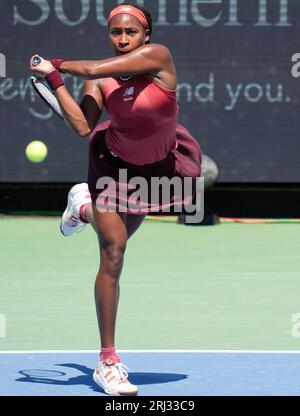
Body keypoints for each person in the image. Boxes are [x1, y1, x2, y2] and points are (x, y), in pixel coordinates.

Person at [29, 3, 201, 396]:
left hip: (158, 170)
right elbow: (81, 125)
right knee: (114, 251)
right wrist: (55, 83)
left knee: (120, 239)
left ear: (146, 37)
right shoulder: (102, 81)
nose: (122, 39)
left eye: (130, 32)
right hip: (113, 167)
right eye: (115, 33)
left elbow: (90, 68)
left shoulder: (159, 58)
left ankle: (82, 207)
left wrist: (54, 65)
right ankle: (107, 361)